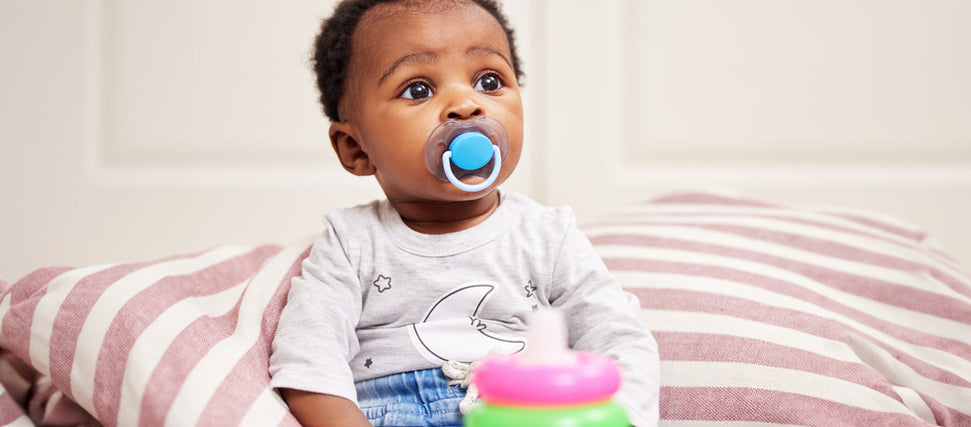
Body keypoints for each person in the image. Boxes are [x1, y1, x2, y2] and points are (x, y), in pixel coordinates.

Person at [268, 0, 660, 426]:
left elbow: (618, 336)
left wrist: (625, 417)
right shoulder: (351, 242)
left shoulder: (547, 234)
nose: (466, 104)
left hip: (520, 409)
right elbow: (309, 354)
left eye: (489, 81)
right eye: (418, 88)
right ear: (356, 149)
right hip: (390, 411)